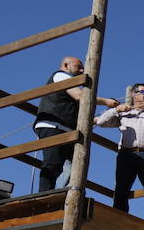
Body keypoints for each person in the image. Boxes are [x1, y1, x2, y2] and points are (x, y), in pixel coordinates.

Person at [32, 55, 119, 192]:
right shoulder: (60, 75)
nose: (82, 70)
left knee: (74, 165)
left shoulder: (69, 84)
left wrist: (112, 113)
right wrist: (106, 101)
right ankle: (44, 195)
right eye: (79, 66)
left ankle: (65, 194)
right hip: (52, 126)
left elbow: (87, 119)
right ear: (66, 65)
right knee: (53, 163)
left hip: (66, 130)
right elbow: (80, 95)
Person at [94, 84, 144, 223]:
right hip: (126, 154)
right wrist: (116, 109)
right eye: (142, 92)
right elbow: (102, 122)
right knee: (121, 189)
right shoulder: (123, 113)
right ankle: (118, 220)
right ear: (134, 95)